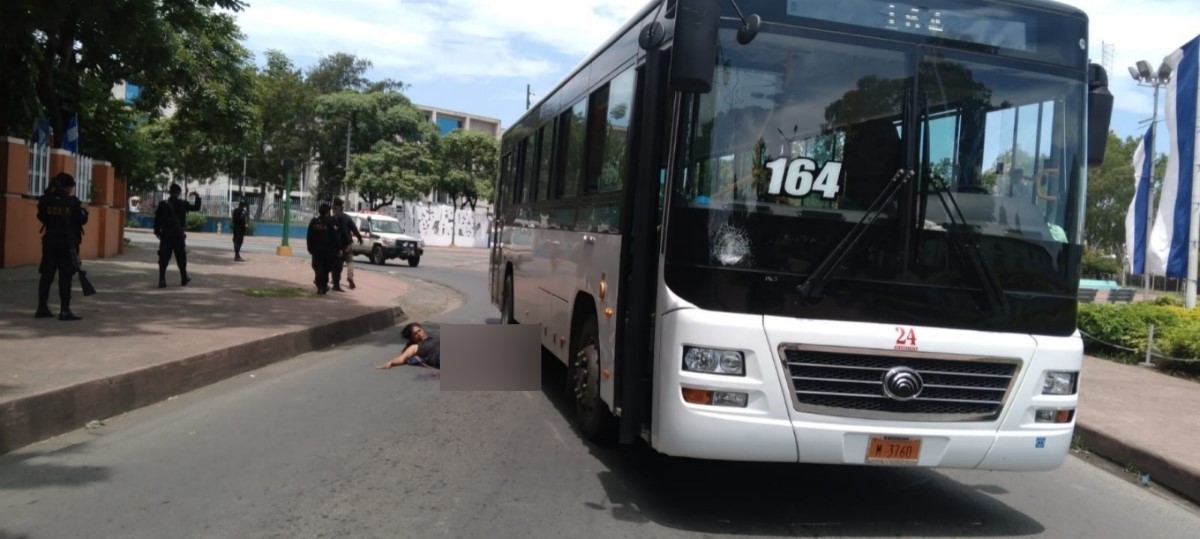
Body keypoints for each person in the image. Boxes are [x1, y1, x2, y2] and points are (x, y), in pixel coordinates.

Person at [35, 172, 89, 321]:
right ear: (69, 187)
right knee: (65, 277)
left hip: (50, 241)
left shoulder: (46, 200)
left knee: (46, 275)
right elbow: (82, 219)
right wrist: (85, 211)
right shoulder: (73, 202)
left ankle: (41, 307)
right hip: (67, 244)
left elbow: (41, 216)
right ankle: (64, 310)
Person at [154, 183, 202, 288]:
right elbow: (196, 208)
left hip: (166, 234)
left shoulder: (163, 204)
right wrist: (197, 196)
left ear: (170, 192)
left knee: (164, 257)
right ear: (179, 193)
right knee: (181, 257)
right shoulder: (182, 204)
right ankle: (183, 277)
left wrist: (157, 232)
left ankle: (162, 279)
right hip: (178, 235)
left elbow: (157, 220)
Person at [330, 198, 363, 291]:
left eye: (333, 205)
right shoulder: (347, 217)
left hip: (338, 245)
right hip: (347, 244)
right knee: (350, 261)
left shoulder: (334, 218)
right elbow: (354, 229)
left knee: (337, 263)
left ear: (337, 206)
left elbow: (333, 232)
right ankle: (350, 276)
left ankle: (334, 280)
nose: (332, 207)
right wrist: (359, 238)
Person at [306, 203, 339, 294]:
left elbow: (309, 236)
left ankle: (321, 285)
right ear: (328, 212)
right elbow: (334, 237)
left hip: (316, 251)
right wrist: (337, 249)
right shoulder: (330, 222)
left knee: (318, 267)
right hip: (327, 251)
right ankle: (322, 286)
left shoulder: (314, 222)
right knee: (325, 269)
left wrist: (309, 247)